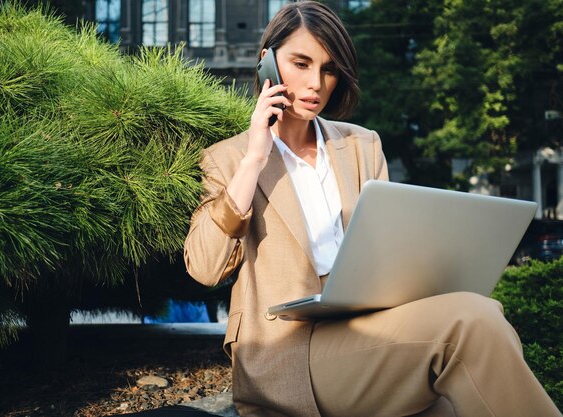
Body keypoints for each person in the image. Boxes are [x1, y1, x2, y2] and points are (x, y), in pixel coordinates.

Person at [183, 2, 562, 416]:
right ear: (266, 63)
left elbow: (388, 254)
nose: (316, 84)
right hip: (287, 352)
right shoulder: (229, 159)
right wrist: (255, 158)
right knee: (469, 322)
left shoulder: (362, 145)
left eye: (329, 69)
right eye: (301, 63)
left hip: (368, 329)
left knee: (473, 339)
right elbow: (205, 267)